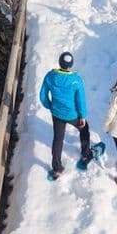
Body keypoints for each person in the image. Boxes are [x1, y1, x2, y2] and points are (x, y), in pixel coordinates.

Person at [39, 51, 92, 179]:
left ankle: (57, 168)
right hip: (73, 115)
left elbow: (43, 95)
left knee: (58, 139)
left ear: (60, 62)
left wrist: (50, 106)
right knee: (85, 129)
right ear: (71, 64)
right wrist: (83, 116)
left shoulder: (50, 76)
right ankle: (86, 154)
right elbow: (81, 100)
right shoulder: (76, 79)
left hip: (57, 114)